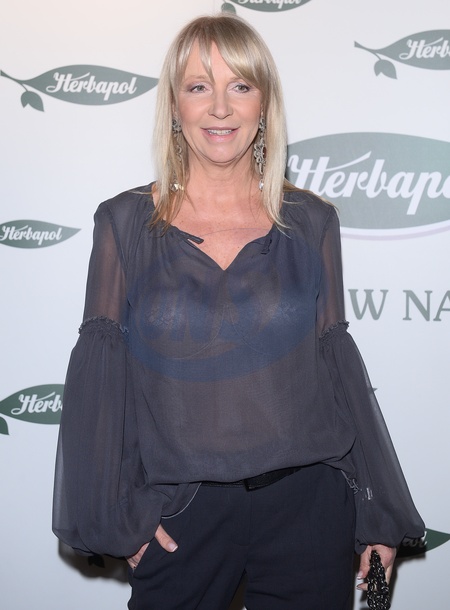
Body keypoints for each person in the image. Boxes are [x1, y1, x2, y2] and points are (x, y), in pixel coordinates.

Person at [52, 13, 424, 610]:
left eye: (241, 86)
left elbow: (336, 369)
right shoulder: (124, 223)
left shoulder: (312, 221)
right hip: (181, 513)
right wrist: (120, 516)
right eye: (199, 86)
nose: (220, 107)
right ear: (175, 106)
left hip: (310, 508)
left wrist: (376, 512)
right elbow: (101, 380)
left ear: (264, 104)